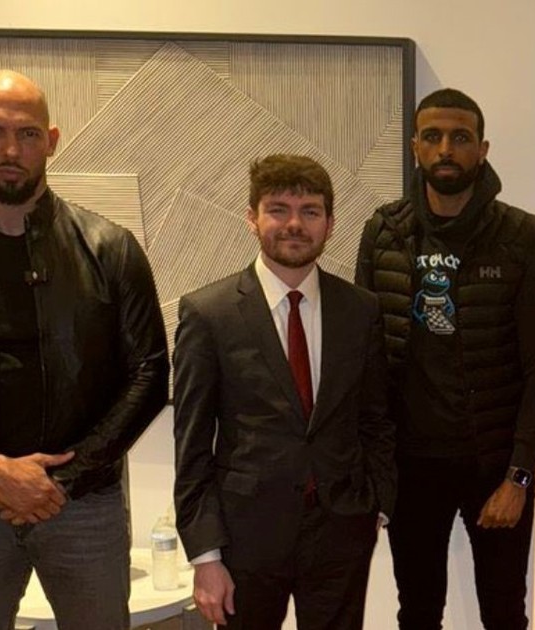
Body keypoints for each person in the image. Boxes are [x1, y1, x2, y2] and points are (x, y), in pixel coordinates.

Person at [355, 88, 535, 630]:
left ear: (482, 149)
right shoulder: (383, 232)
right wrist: (373, 469)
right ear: (415, 147)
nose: (446, 149)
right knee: (417, 611)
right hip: (410, 466)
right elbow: (364, 359)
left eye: (461, 137)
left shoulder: (522, 236)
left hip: (493, 465)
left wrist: (519, 476)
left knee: (504, 611)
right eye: (433, 136)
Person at [174, 154, 394, 629]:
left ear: (329, 224)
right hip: (245, 537)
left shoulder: (361, 310)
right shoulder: (209, 314)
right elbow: (192, 445)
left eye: (310, 211)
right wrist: (205, 556)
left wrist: (377, 505)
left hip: (341, 531)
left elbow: (376, 417)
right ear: (251, 218)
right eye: (278, 209)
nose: (295, 224)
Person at [0, 69, 168, 630]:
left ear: (52, 141)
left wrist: (60, 480)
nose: (10, 150)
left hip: (83, 506)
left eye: (27, 133)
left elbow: (149, 374)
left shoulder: (110, 248)